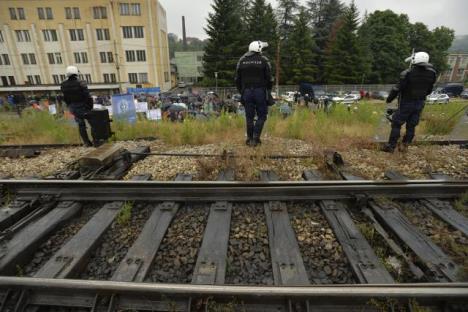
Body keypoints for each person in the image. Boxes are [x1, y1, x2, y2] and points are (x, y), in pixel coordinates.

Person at [382, 51, 436, 153]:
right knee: (411, 125)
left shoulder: (407, 73)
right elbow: (429, 90)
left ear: (415, 60)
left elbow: (397, 88)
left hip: (406, 102)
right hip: (420, 103)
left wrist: (389, 99)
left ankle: (391, 146)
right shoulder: (432, 73)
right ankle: (405, 146)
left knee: (396, 124)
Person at [235, 40, 273, 146]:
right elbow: (270, 78)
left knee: (249, 117)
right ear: (258, 49)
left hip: (246, 92)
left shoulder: (241, 61)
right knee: (262, 116)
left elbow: (237, 79)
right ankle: (256, 138)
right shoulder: (264, 60)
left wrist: (242, 91)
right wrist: (268, 90)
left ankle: (249, 139)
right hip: (260, 91)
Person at [60, 65, 95, 147]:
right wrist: (90, 107)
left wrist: (71, 106)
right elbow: (87, 96)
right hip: (84, 107)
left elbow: (65, 98)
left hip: (74, 108)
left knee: (81, 125)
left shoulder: (63, 84)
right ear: (76, 73)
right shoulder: (81, 83)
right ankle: (96, 140)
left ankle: (86, 143)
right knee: (93, 123)